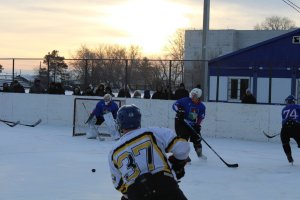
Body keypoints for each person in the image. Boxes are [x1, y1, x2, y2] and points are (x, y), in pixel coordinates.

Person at [108, 105, 190, 200]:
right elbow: (183, 148)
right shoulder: (152, 132)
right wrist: (177, 164)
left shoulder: (113, 152)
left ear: (119, 122)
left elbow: (118, 185)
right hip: (165, 184)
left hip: (136, 192)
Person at [172, 88, 206, 159]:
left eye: (195, 96)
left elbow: (200, 117)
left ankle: (199, 154)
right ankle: (184, 156)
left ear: (199, 97)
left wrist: (197, 125)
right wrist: (179, 110)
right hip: (180, 121)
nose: (192, 97)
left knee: (197, 138)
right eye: (192, 95)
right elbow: (174, 105)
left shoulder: (202, 107)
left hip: (192, 124)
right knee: (183, 138)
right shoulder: (185, 100)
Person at [280, 95, 300, 164]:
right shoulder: (298, 106)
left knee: (285, 142)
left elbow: (283, 122)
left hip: (285, 128)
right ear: (293, 101)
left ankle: (289, 157)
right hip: (296, 127)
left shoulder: (284, 109)